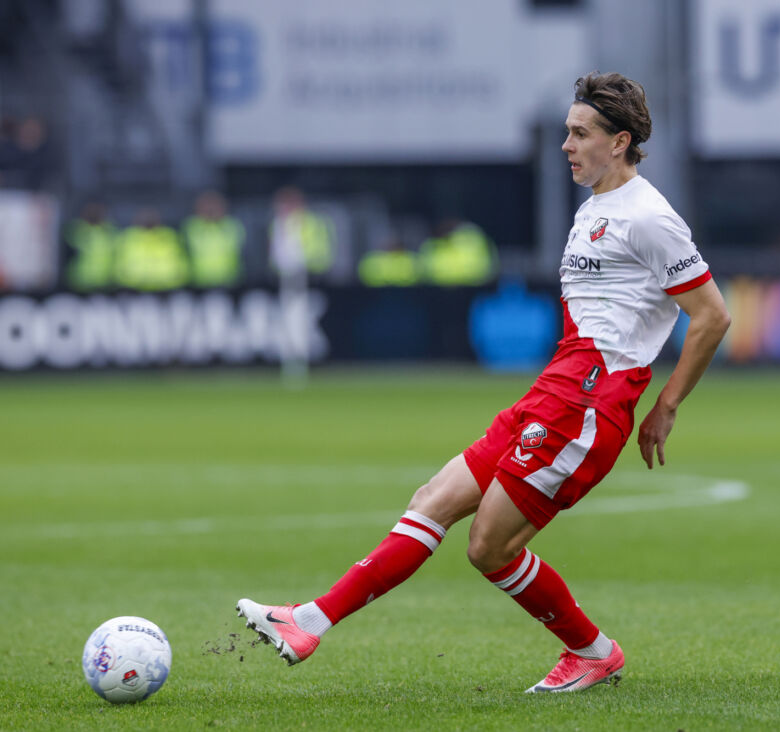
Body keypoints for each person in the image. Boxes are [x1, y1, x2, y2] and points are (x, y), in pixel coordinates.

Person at [237, 71, 731, 693]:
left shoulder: (650, 218)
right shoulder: (595, 208)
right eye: (567, 132)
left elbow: (713, 316)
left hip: (591, 399)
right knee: (430, 500)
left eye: (580, 134)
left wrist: (667, 404)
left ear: (620, 140)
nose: (567, 145)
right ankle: (308, 620)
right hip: (557, 385)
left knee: (487, 548)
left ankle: (593, 652)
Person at [182, 190, 246, 288]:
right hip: (199, 281)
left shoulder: (232, 225)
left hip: (229, 279)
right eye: (207, 206)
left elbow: (239, 248)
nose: (211, 209)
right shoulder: (192, 226)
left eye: (214, 206)